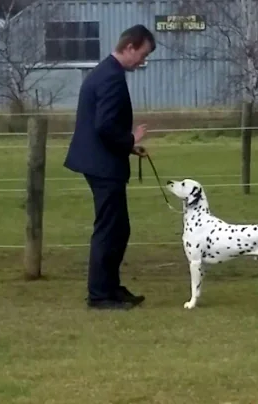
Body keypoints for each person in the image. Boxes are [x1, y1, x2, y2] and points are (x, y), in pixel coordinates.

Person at [64, 25, 156, 310]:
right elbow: (104, 126)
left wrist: (128, 147)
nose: (143, 62)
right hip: (103, 165)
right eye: (142, 54)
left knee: (119, 228)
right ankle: (100, 295)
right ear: (130, 47)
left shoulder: (106, 72)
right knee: (109, 229)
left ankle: (111, 287)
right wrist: (130, 138)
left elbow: (103, 125)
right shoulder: (111, 78)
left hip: (102, 160)